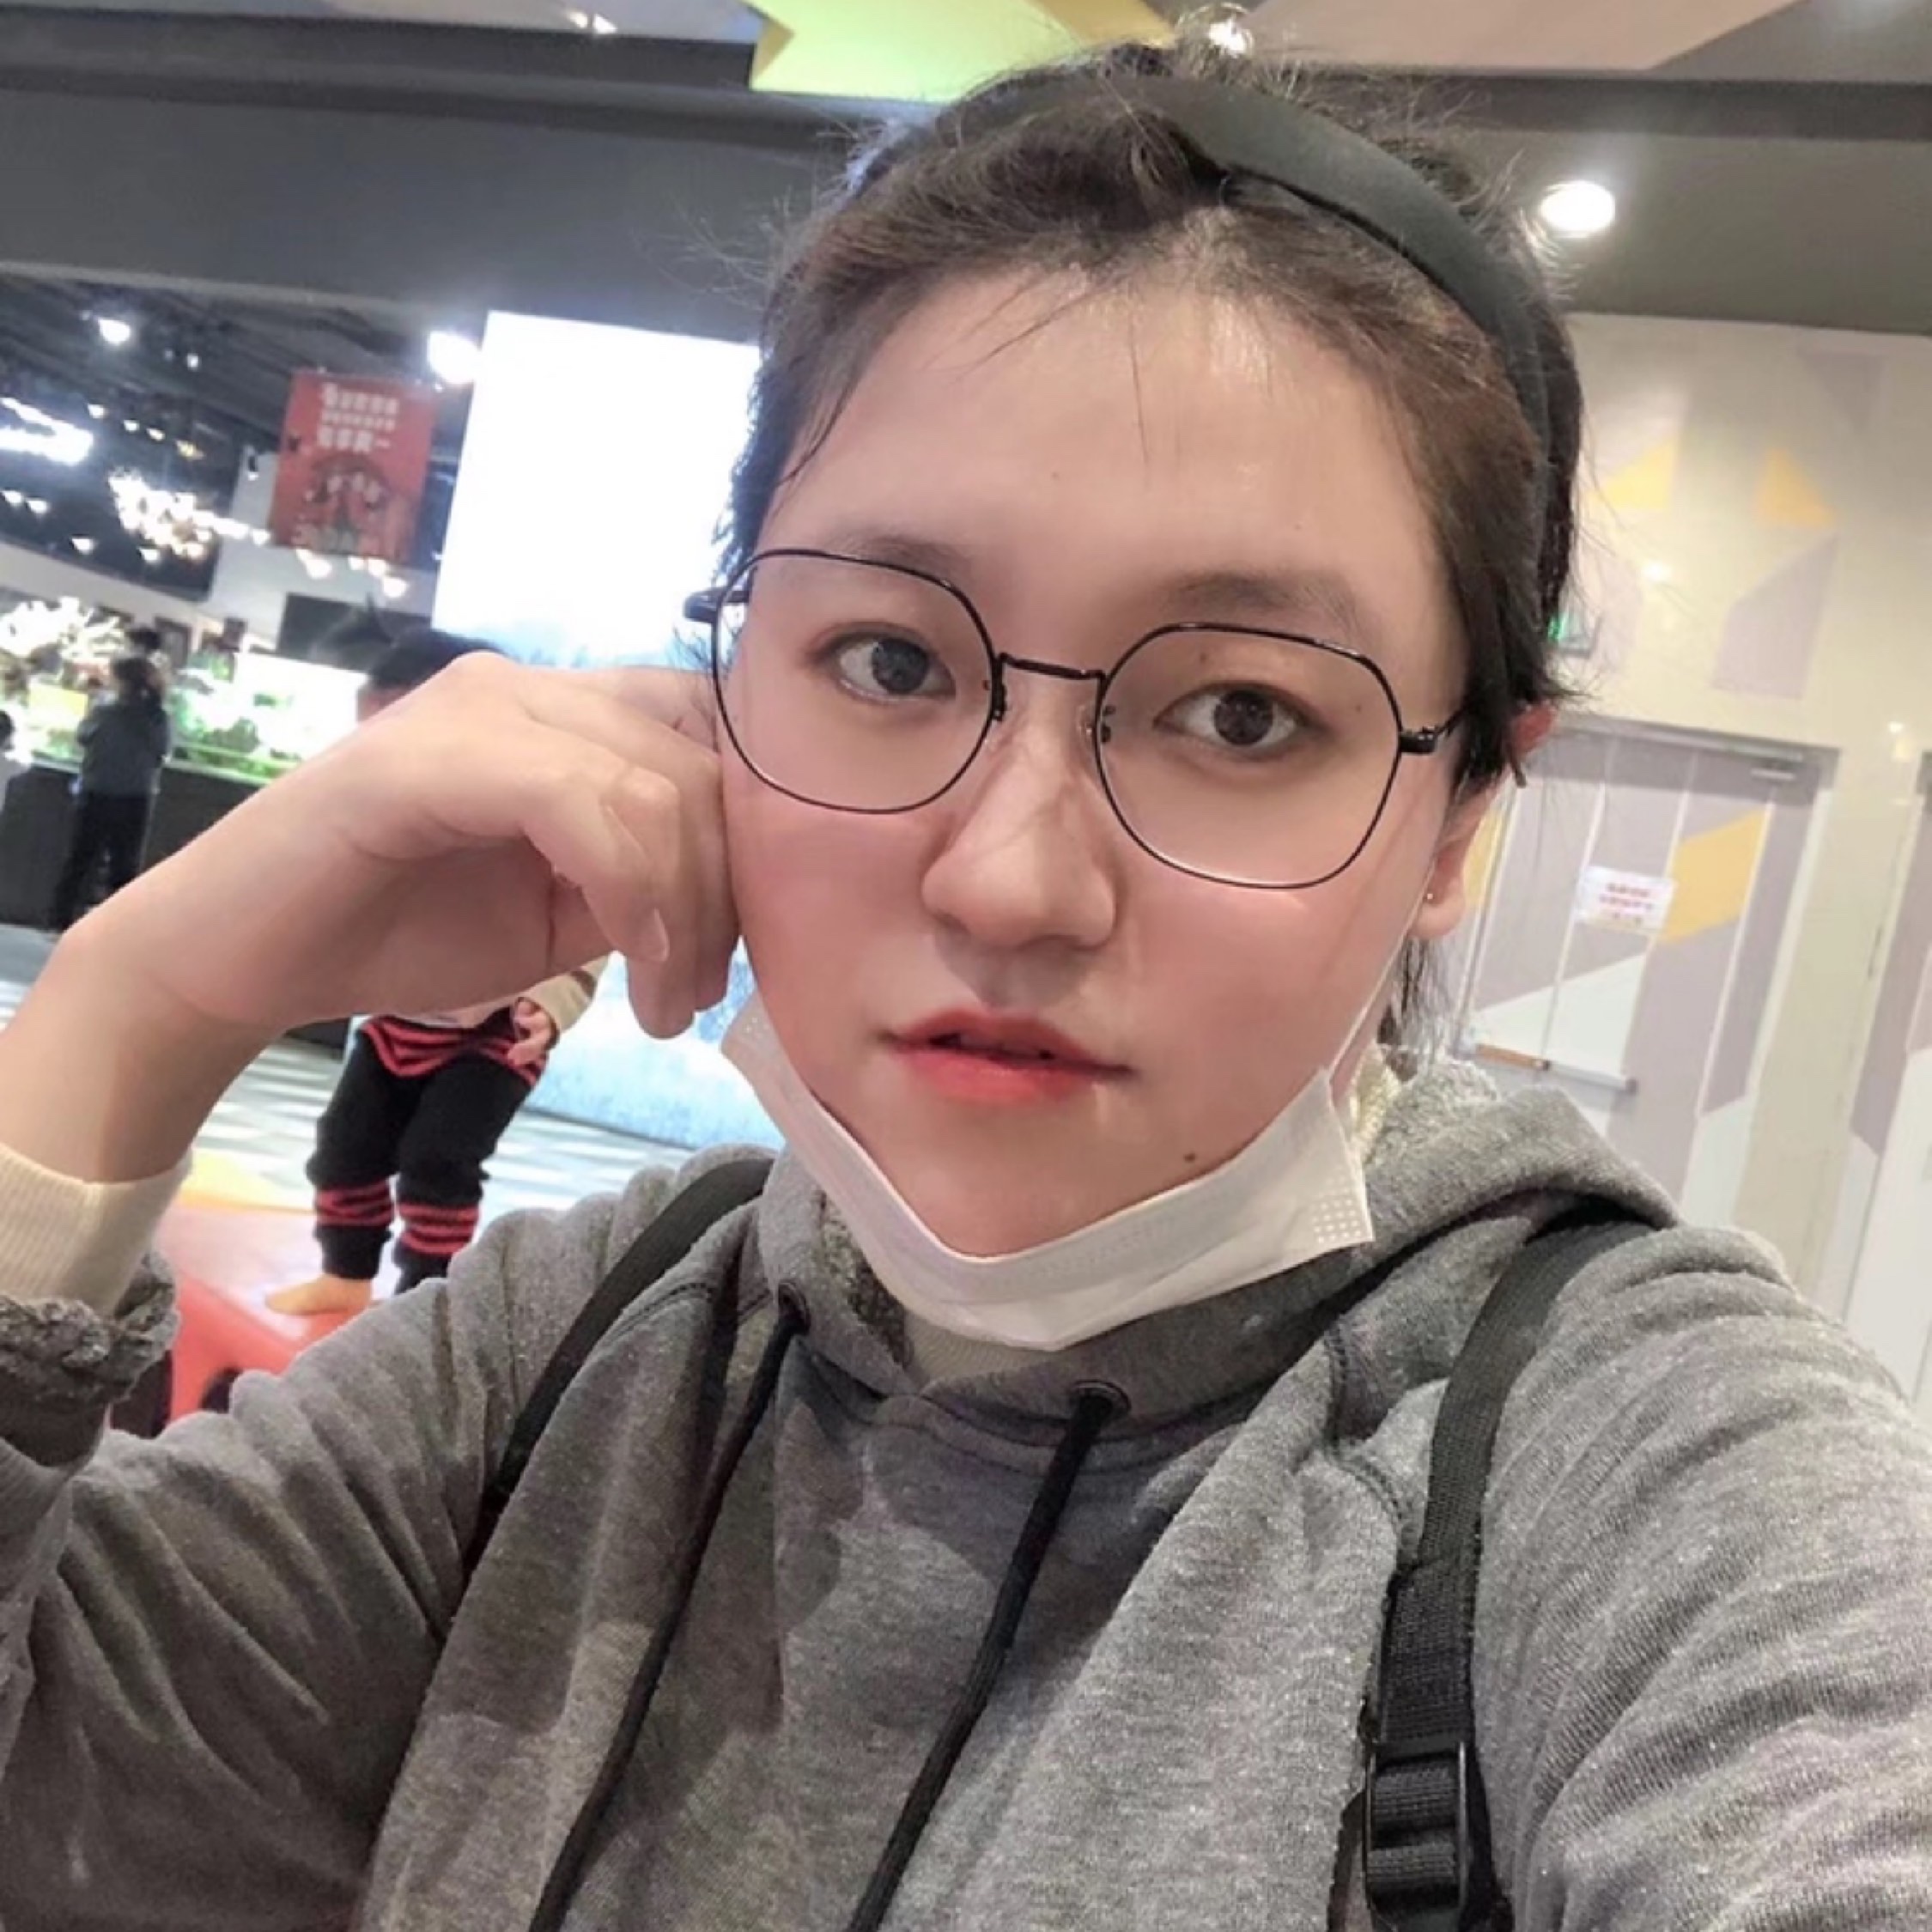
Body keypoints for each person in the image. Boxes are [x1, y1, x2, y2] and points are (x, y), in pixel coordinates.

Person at [0, 34, 1928, 1932]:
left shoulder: (1655, 1473)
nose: (1011, 880)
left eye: (1244, 714)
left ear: (1459, 819)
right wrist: (132, 1010)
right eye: (892, 662)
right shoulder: (580, 1353)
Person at [267, 632, 609, 1317]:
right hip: (400, 1018)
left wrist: (552, 1001)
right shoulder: (386, 818)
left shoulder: (536, 820)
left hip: (493, 1032)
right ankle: (345, 1270)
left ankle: (422, 1300)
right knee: (345, 1147)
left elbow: (590, 922)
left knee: (438, 1161)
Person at [46, 648, 172, 931]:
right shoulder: (157, 717)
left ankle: (60, 920)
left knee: (80, 859)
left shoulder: (104, 712)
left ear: (120, 681)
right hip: (137, 796)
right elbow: (163, 751)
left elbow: (83, 737)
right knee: (124, 866)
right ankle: (116, 928)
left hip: (98, 790)